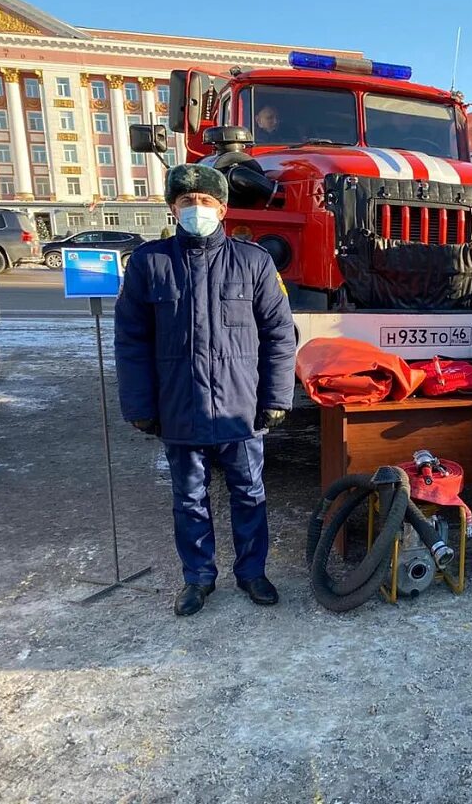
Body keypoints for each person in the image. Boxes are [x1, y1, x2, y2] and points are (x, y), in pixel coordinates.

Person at [114, 164, 296, 617]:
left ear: (223, 208)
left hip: (240, 410)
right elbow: (131, 340)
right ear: (173, 207)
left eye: (206, 203)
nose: (197, 210)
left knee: (249, 494)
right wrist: (139, 405)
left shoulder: (253, 261)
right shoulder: (149, 263)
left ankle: (252, 573)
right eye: (187, 202)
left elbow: (280, 335)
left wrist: (275, 398)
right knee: (189, 498)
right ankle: (198, 578)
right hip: (179, 408)